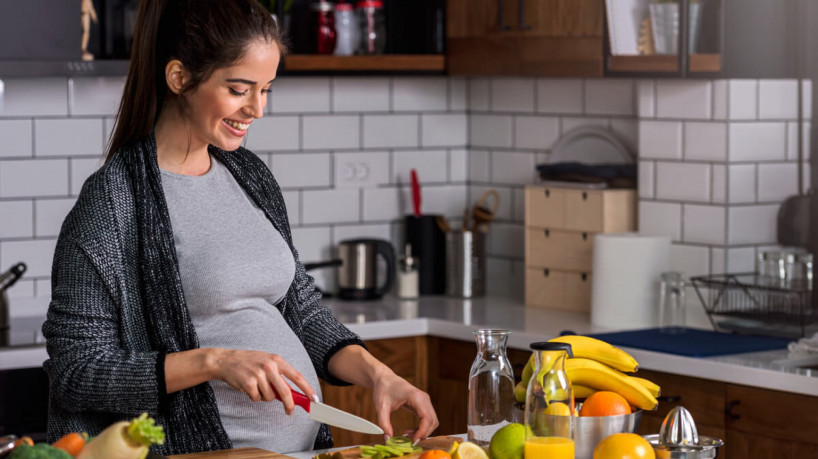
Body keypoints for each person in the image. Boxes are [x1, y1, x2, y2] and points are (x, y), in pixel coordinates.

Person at [41, 0, 438, 455]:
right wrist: (213, 362)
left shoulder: (249, 175)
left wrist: (377, 374)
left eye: (266, 89)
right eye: (239, 89)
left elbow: (301, 310)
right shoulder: (113, 201)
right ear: (179, 78)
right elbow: (77, 371)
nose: (257, 109)